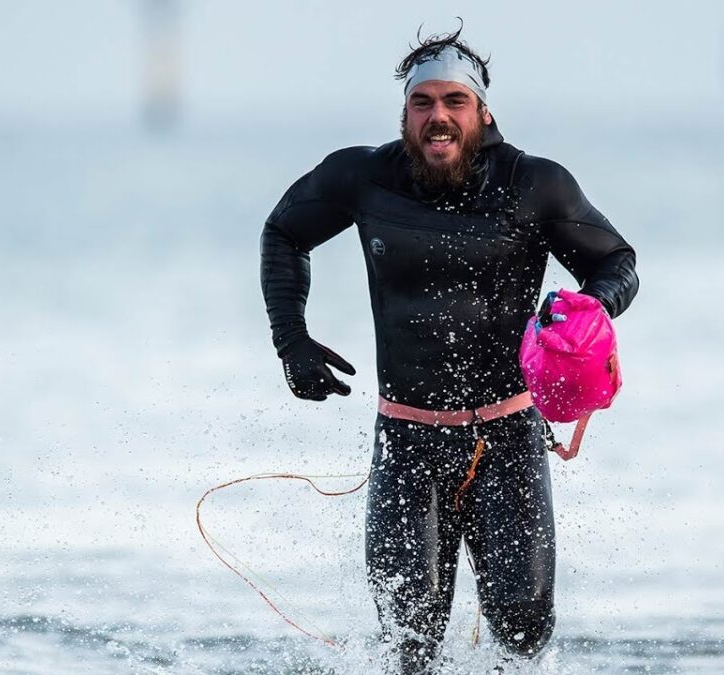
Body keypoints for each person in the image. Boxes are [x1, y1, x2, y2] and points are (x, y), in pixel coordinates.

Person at [260, 26, 639, 673]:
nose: (438, 116)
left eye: (453, 102)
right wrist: (291, 340)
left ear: (481, 110)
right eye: (423, 102)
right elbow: (284, 231)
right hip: (406, 444)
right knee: (410, 649)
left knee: (523, 631)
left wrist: (588, 311)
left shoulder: (533, 185)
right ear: (406, 113)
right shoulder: (365, 177)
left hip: (509, 440)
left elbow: (615, 262)